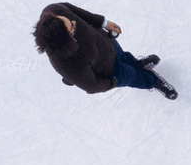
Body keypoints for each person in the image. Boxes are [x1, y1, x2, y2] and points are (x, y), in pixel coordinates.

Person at [32, 6, 177, 98]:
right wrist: (112, 82)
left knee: (125, 57)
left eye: (69, 20)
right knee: (133, 77)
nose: (74, 22)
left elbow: (75, 11)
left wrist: (104, 23)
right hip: (111, 71)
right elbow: (91, 85)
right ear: (66, 41)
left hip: (108, 43)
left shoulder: (54, 11)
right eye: (72, 29)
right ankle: (153, 81)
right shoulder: (68, 64)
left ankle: (138, 65)